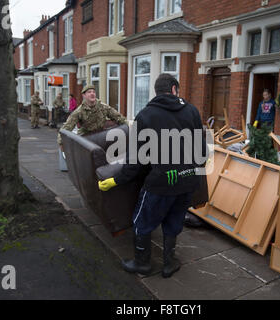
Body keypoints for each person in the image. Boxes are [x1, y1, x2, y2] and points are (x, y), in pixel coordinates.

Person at [98, 74, 207, 278]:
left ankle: (143, 264)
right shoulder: (192, 111)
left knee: (142, 222)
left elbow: (136, 160)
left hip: (162, 183)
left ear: (157, 91)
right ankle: (169, 263)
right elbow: (202, 151)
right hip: (189, 179)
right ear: (174, 89)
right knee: (174, 221)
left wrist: (116, 180)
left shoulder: (145, 115)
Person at [57, 84, 126, 146]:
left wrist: (128, 126)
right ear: (84, 95)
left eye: (93, 92)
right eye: (89, 92)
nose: (92, 94)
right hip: (86, 139)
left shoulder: (103, 107)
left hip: (101, 137)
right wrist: (61, 142)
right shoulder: (79, 111)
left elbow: (118, 118)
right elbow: (67, 127)